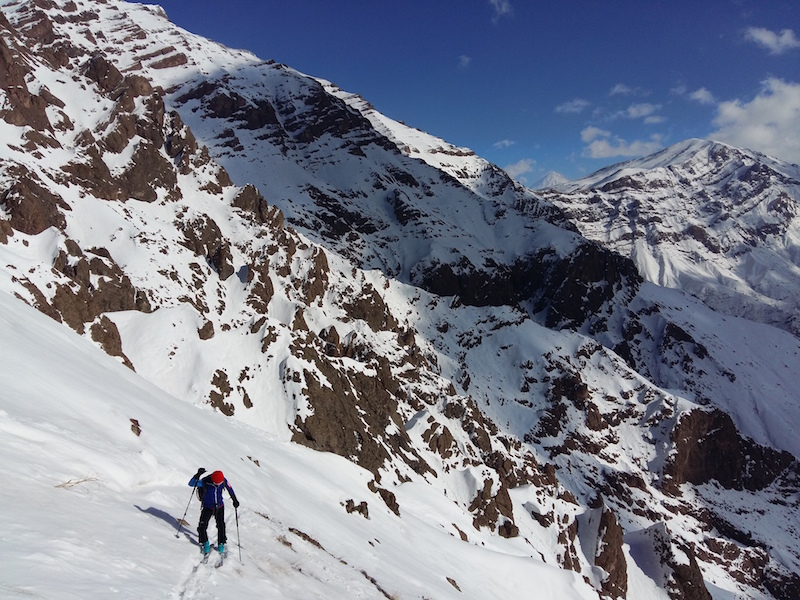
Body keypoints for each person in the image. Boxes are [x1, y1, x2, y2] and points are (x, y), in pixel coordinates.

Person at [188, 468, 239, 555]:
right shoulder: (205, 482)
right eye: (216, 483)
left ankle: (221, 544)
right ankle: (205, 543)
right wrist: (197, 475)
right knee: (202, 526)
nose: (218, 484)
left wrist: (235, 500)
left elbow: (230, 489)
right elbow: (191, 483)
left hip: (219, 506)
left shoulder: (223, 480)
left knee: (221, 525)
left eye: (219, 483)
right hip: (207, 507)